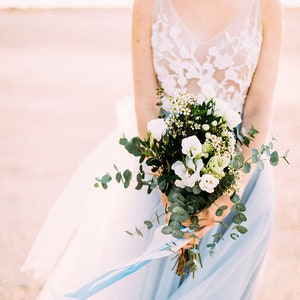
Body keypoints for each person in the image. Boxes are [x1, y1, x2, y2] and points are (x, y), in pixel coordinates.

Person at [21, 0, 283, 299]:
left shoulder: (266, 5)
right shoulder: (149, 3)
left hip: (241, 180)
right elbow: (146, 102)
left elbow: (260, 107)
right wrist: (168, 188)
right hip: (159, 172)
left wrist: (229, 192)